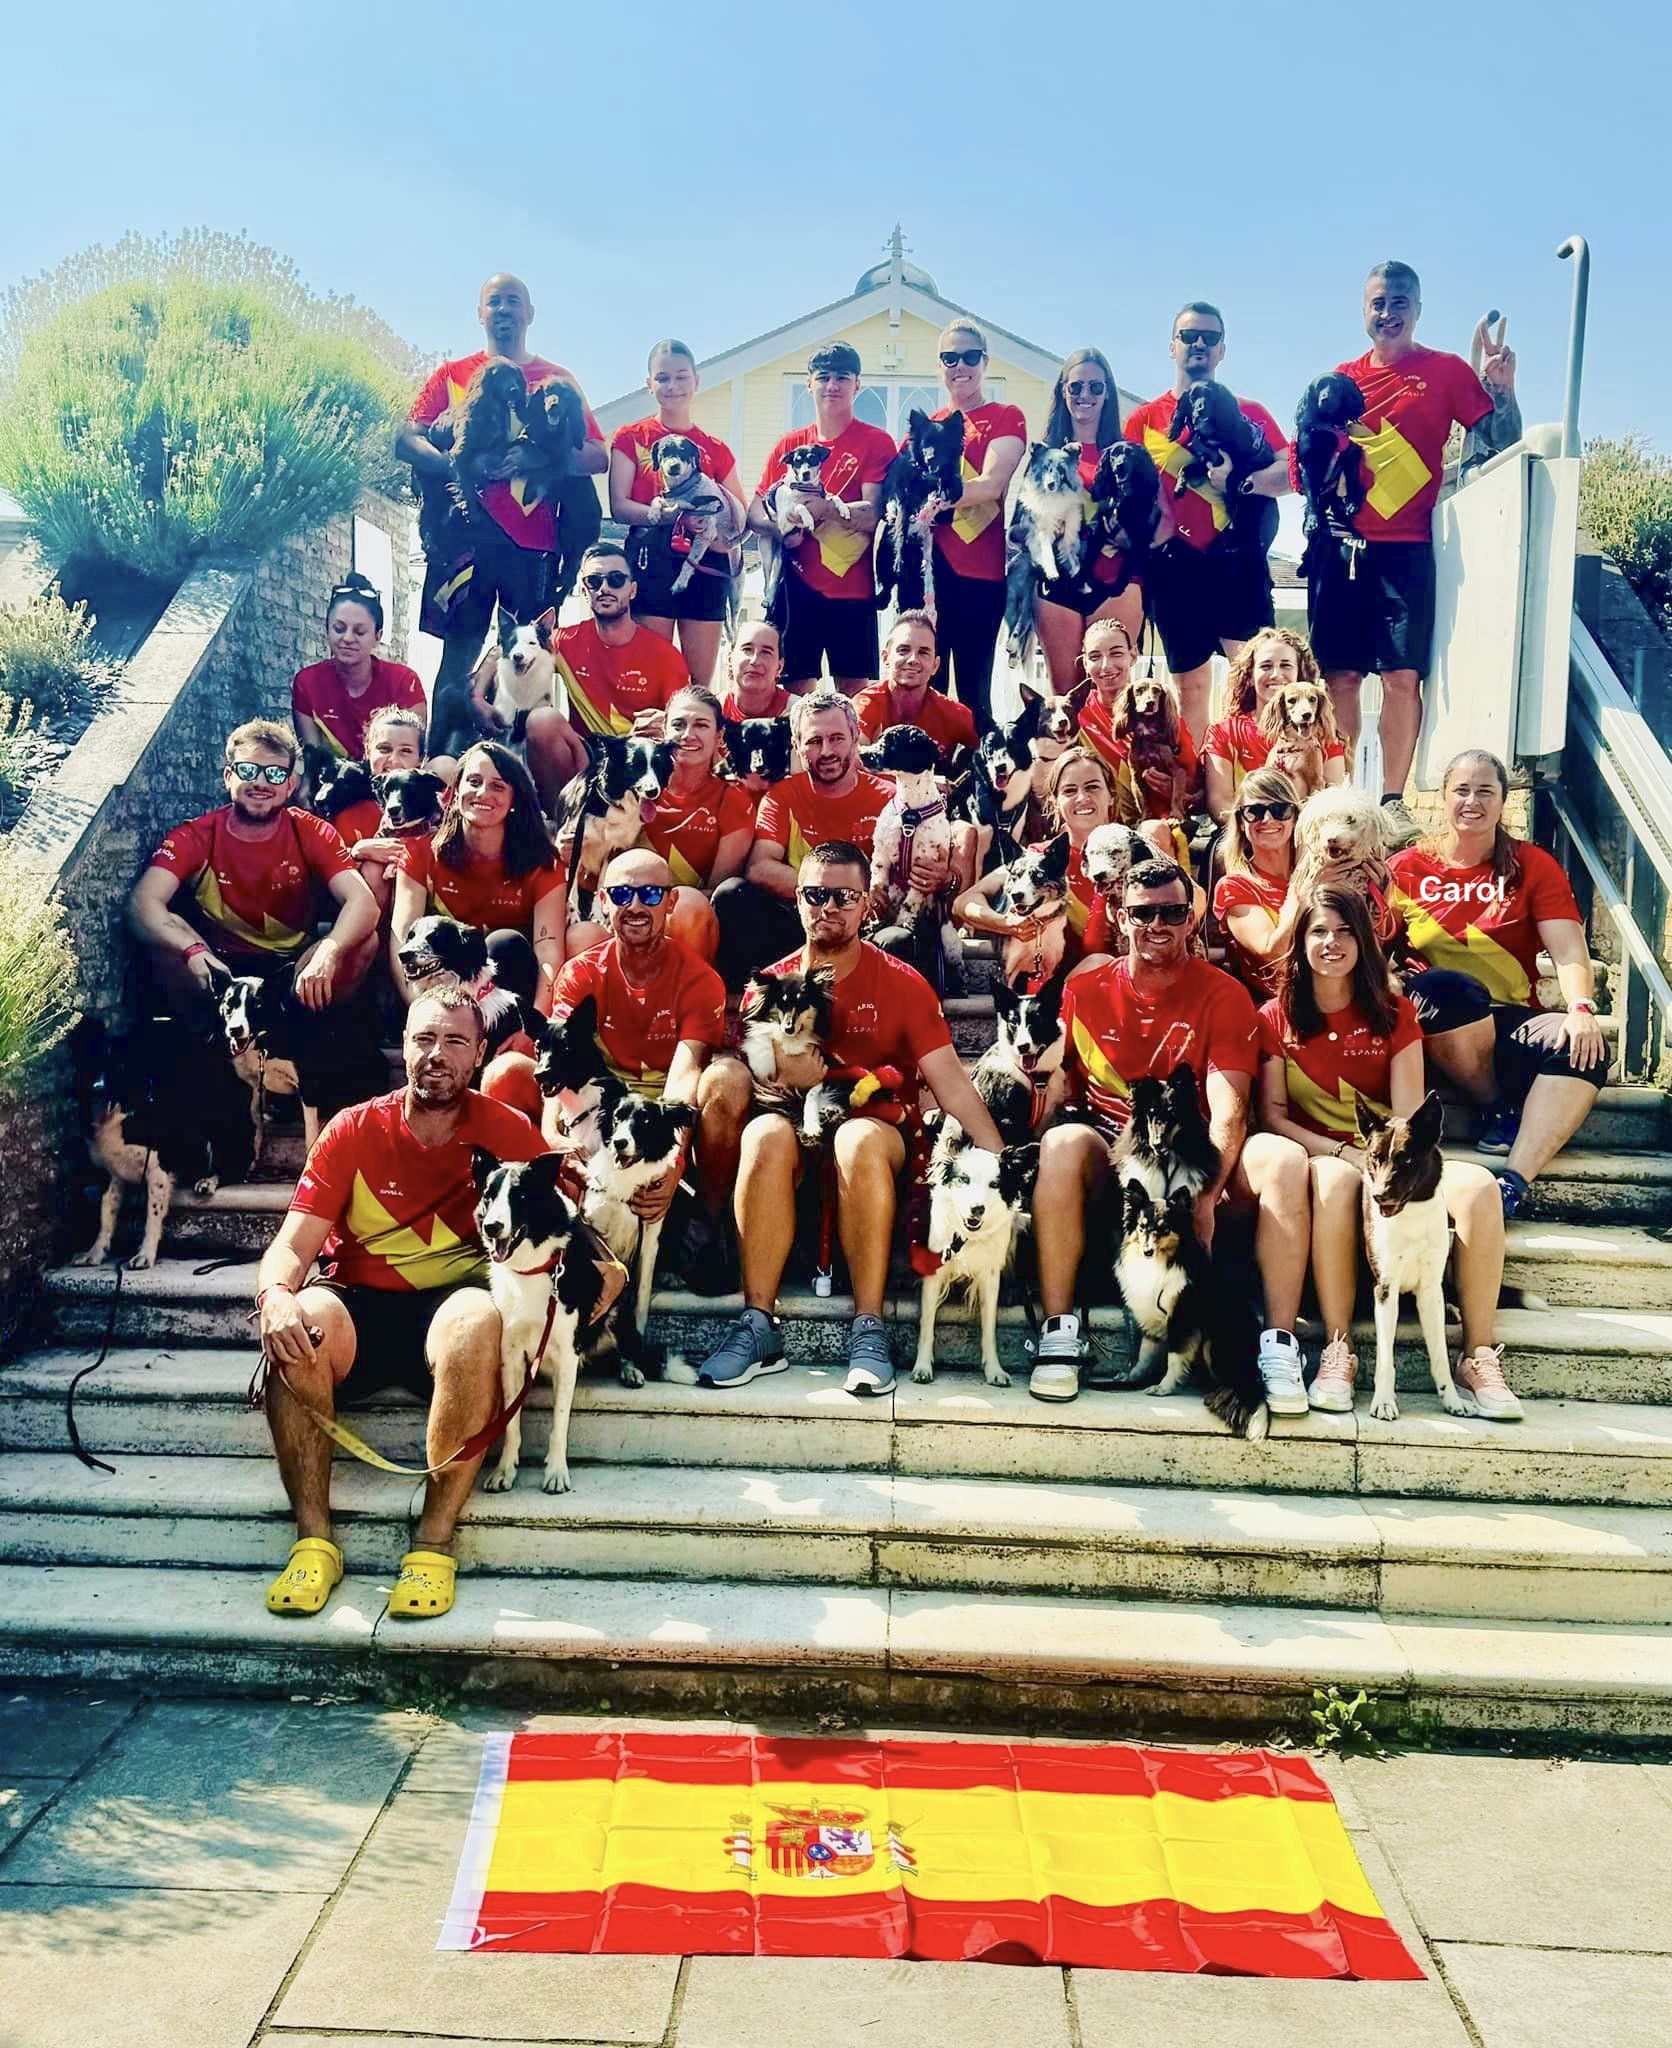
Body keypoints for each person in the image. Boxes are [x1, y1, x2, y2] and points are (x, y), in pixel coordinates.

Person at [255, 985, 548, 1622]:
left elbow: (572, 1225)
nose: (437, 1054)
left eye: (455, 1041)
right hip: (357, 1303)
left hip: (447, 1309)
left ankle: (433, 1545)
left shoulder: (508, 1130)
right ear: (405, 1047)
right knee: (299, 1318)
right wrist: (275, 1296)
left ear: (478, 1055)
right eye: (424, 1038)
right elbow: (292, 1246)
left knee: (477, 1319)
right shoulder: (353, 1129)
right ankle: (314, 1543)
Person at [694, 840, 1007, 1395]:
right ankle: (757, 1325)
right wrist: (785, 1074)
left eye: (843, 896)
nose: (828, 907)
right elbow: (758, 1073)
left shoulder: (902, 982)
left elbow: (951, 1083)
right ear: (797, 900)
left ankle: (869, 1327)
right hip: (796, 1132)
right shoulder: (770, 984)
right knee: (763, 1134)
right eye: (816, 894)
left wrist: (999, 1160)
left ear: (867, 903)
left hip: (876, 1134)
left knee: (858, 1137)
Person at [1030, 856, 1311, 1411]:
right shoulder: (1085, 990)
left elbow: (1229, 1110)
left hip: (1193, 1162)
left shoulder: (1224, 994)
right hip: (1118, 1166)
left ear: (1191, 919)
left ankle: (1278, 1345)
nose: (1157, 924)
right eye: (1143, 913)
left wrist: (1202, 1199)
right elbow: (1060, 1087)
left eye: (1172, 912)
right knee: (1060, 1145)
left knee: (1282, 1159)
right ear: (1119, 916)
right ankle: (1059, 1332)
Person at [1258, 885, 1519, 1420]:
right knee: (1335, 1181)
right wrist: (1343, 1152)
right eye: (1318, 931)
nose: (1331, 943)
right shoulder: (1274, 1017)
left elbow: (1408, 1116)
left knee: (1479, 1187)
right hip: (1323, 1154)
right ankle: (1339, 1350)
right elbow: (1274, 1117)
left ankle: (1477, 1356)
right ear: (1300, 941)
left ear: (1364, 941)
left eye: (1345, 931)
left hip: (1393, 1159)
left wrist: (1380, 1163)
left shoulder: (1395, 1012)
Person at [1312, 263, 1521, 833]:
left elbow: (1499, 443)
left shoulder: (1446, 370)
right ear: (1364, 311)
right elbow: (1308, 456)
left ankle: (1391, 801)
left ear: (1418, 310)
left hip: (1407, 548)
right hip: (1342, 548)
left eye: (1399, 302)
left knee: (1403, 678)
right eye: (1378, 303)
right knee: (1341, 679)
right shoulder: (1340, 379)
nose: (1389, 313)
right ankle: (1341, 797)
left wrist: (1501, 390)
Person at [398, 274, 606, 758]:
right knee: (457, 661)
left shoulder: (557, 378)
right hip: (462, 543)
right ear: (481, 314)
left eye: (514, 301)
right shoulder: (452, 374)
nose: (504, 309)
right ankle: (439, 770)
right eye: (495, 301)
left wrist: (539, 458)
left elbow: (597, 455)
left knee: (528, 666)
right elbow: (406, 440)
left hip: (532, 546)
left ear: (529, 313)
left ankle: (526, 779)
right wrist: (454, 463)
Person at [1389, 750, 1603, 1218]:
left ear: (1504, 801)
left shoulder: (1532, 864)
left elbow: (1568, 949)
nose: (1473, 801)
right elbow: (1370, 944)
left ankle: (1512, 1182)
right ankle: (1495, 1107)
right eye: (1461, 790)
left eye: (1486, 791)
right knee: (1448, 989)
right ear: (1443, 797)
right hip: (1435, 1026)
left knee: (1584, 1047)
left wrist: (1581, 1008)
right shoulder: (1405, 868)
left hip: (1509, 1020)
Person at [128, 719, 380, 1030]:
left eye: (274, 774)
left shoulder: (310, 830)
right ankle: (202, 1039)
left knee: (363, 941)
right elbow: (142, 903)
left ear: (289, 786)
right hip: (219, 966)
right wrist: (192, 950)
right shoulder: (197, 835)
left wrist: (328, 953)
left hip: (292, 966)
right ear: (228, 777)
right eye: (248, 771)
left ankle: (318, 1034)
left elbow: (363, 903)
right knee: (168, 937)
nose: (261, 783)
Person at [1123, 303, 1291, 742]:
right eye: (1188, 335)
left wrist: (1242, 482)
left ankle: (1258, 776)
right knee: (1190, 690)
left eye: (1210, 337)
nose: (1199, 344)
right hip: (1176, 568)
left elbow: (1291, 472)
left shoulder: (1249, 411)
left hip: (1241, 562)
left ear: (1222, 350)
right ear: (1172, 346)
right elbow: (1130, 489)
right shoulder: (1144, 419)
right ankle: (1200, 778)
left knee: (1256, 684)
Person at [712, 691, 893, 991]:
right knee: (733, 895)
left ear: (855, 738)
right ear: (796, 746)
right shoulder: (781, 796)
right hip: (802, 923)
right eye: (814, 741)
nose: (827, 751)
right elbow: (760, 868)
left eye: (837, 738)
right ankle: (746, 1003)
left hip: (862, 927)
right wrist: (830, 896)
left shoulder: (889, 797)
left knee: (899, 939)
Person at [567, 687, 753, 963]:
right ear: (663, 730)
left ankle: (689, 990)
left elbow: (716, 893)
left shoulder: (732, 799)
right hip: (626, 916)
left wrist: (653, 906)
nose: (688, 734)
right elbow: (592, 876)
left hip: (685, 921)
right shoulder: (629, 791)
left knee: (687, 903)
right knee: (581, 935)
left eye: (701, 725)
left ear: (719, 736)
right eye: (678, 725)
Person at [749, 341, 893, 690]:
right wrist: (782, 529)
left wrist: (826, 508)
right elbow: (754, 512)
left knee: (856, 698)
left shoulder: (876, 442)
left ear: (857, 385)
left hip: (853, 589)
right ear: (809, 383)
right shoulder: (789, 446)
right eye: (823, 377)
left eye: (842, 377)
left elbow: (875, 513)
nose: (832, 385)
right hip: (795, 590)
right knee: (795, 697)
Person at [390, 741, 566, 1016]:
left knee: (505, 943)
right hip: (440, 992)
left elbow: (548, 952)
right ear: (455, 791)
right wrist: (424, 1016)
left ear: (515, 800)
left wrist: (537, 1024)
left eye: (498, 786)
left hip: (509, 993)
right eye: (473, 782)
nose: (483, 793)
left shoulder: (542, 863)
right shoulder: (421, 852)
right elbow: (401, 939)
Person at [909, 322, 1026, 730]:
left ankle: (979, 768)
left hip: (980, 575)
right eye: (950, 358)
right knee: (927, 691)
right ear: (940, 365)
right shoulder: (927, 425)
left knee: (975, 694)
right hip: (929, 575)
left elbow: (992, 484)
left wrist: (932, 500)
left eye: (970, 357)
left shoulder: (1005, 416)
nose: (960, 366)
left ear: (985, 362)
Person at [610, 339, 745, 688]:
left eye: (682, 377)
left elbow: (737, 513)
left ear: (696, 381)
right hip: (650, 560)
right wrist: (672, 517)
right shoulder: (631, 436)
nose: (673, 386)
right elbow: (619, 507)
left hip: (705, 565)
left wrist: (723, 538)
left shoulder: (715, 448)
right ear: (649, 383)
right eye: (663, 378)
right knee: (649, 677)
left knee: (699, 683)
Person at [1028, 348, 1145, 689]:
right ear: (1063, 392)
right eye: (1076, 387)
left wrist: (1127, 536)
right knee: (1066, 698)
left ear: (1107, 392)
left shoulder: (1128, 453)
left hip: (1116, 582)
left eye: (1096, 387)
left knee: (1112, 694)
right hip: (1057, 586)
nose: (1085, 395)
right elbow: (1028, 525)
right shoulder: (1045, 454)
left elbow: (1147, 521)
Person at [954, 747, 1122, 980]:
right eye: (1069, 791)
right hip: (1063, 982)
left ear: (1111, 794)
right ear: (1055, 801)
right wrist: (1006, 923)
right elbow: (964, 902)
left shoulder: (1135, 850)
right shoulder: (1038, 859)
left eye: (1092, 787)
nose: (1082, 798)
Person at [1073, 616, 1195, 859]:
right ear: (1084, 663)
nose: (1106, 666)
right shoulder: (1076, 715)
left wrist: (1175, 793)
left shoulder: (1165, 717)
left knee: (1153, 830)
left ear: (1133, 655)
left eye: (1116, 653)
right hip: (1096, 827)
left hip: (1156, 827)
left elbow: (1195, 788)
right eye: (1095, 657)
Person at [1201, 629, 1347, 825]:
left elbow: (1334, 799)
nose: (1276, 675)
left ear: (1299, 673)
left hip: (1306, 833)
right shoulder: (1224, 732)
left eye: (1286, 665)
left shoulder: (1324, 735)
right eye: (1266, 666)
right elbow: (1219, 804)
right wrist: (1262, 828)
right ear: (1250, 675)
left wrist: (1293, 831)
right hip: (1246, 832)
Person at [552, 541, 691, 740]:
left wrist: (669, 724)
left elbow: (687, 719)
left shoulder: (665, 655)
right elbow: (514, 656)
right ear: (584, 592)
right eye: (593, 581)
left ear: (632, 590)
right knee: (542, 721)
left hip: (640, 754)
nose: (604, 588)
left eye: (616, 579)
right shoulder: (563, 643)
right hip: (585, 753)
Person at [290, 573, 425, 767]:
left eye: (359, 632)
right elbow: (312, 757)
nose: (347, 638)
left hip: (390, 775)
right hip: (332, 779)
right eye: (339, 629)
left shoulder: (403, 681)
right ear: (326, 630)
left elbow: (411, 757)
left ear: (378, 636)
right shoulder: (308, 683)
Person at [330, 704, 431, 914]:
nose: (393, 760)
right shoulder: (343, 802)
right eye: (384, 749)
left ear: (421, 759)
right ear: (368, 751)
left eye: (406, 751)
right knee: (372, 869)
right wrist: (358, 850)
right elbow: (321, 864)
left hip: (422, 910)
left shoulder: (433, 806)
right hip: (360, 911)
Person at [1212, 768, 1302, 999]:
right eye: (1255, 812)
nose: (1268, 819)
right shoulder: (1234, 886)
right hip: (1272, 1004)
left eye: (1280, 810)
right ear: (1241, 822)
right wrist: (1303, 888)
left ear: (1295, 818)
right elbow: (1274, 953)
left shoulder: (1318, 872)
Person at [853, 610, 978, 763]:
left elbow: (993, 750)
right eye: (903, 650)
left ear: (935, 665)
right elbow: (853, 759)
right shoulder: (866, 704)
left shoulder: (954, 714)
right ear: (885, 658)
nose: (913, 659)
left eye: (923, 652)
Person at [720, 618, 793, 725]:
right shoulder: (712, 712)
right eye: (747, 649)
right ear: (730, 659)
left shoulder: (799, 716)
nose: (755, 660)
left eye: (766, 652)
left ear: (779, 667)